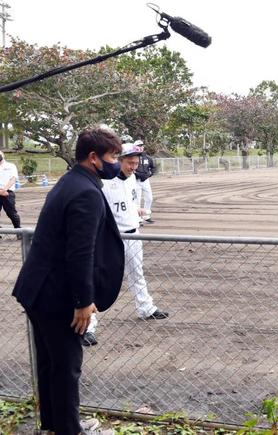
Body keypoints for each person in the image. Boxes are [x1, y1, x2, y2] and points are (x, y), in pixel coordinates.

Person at [12, 127, 125, 434]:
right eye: (113, 155)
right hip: (56, 296)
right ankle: (68, 430)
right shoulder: (86, 192)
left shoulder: (70, 181)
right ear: (93, 157)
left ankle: (54, 424)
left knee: (51, 364)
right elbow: (80, 253)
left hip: (38, 290)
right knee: (66, 368)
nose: (117, 161)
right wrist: (83, 302)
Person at [84, 143, 169, 346]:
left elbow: (129, 202)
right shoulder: (105, 182)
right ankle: (89, 326)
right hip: (111, 237)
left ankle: (145, 308)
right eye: (129, 162)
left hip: (133, 234)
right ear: (119, 161)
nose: (133, 167)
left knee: (137, 272)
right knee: (97, 278)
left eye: (135, 162)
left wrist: (136, 211)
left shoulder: (132, 179)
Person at [134, 140, 156, 224]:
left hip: (146, 180)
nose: (141, 147)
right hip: (136, 181)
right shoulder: (134, 158)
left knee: (149, 198)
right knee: (137, 199)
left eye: (141, 145)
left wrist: (149, 174)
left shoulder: (148, 158)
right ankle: (138, 218)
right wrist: (136, 174)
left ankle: (146, 215)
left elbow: (153, 168)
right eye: (139, 146)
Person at [0, 150, 21, 234]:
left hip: (8, 193)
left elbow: (13, 179)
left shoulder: (11, 166)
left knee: (11, 213)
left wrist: (4, 190)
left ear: (3, 155)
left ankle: (18, 231)